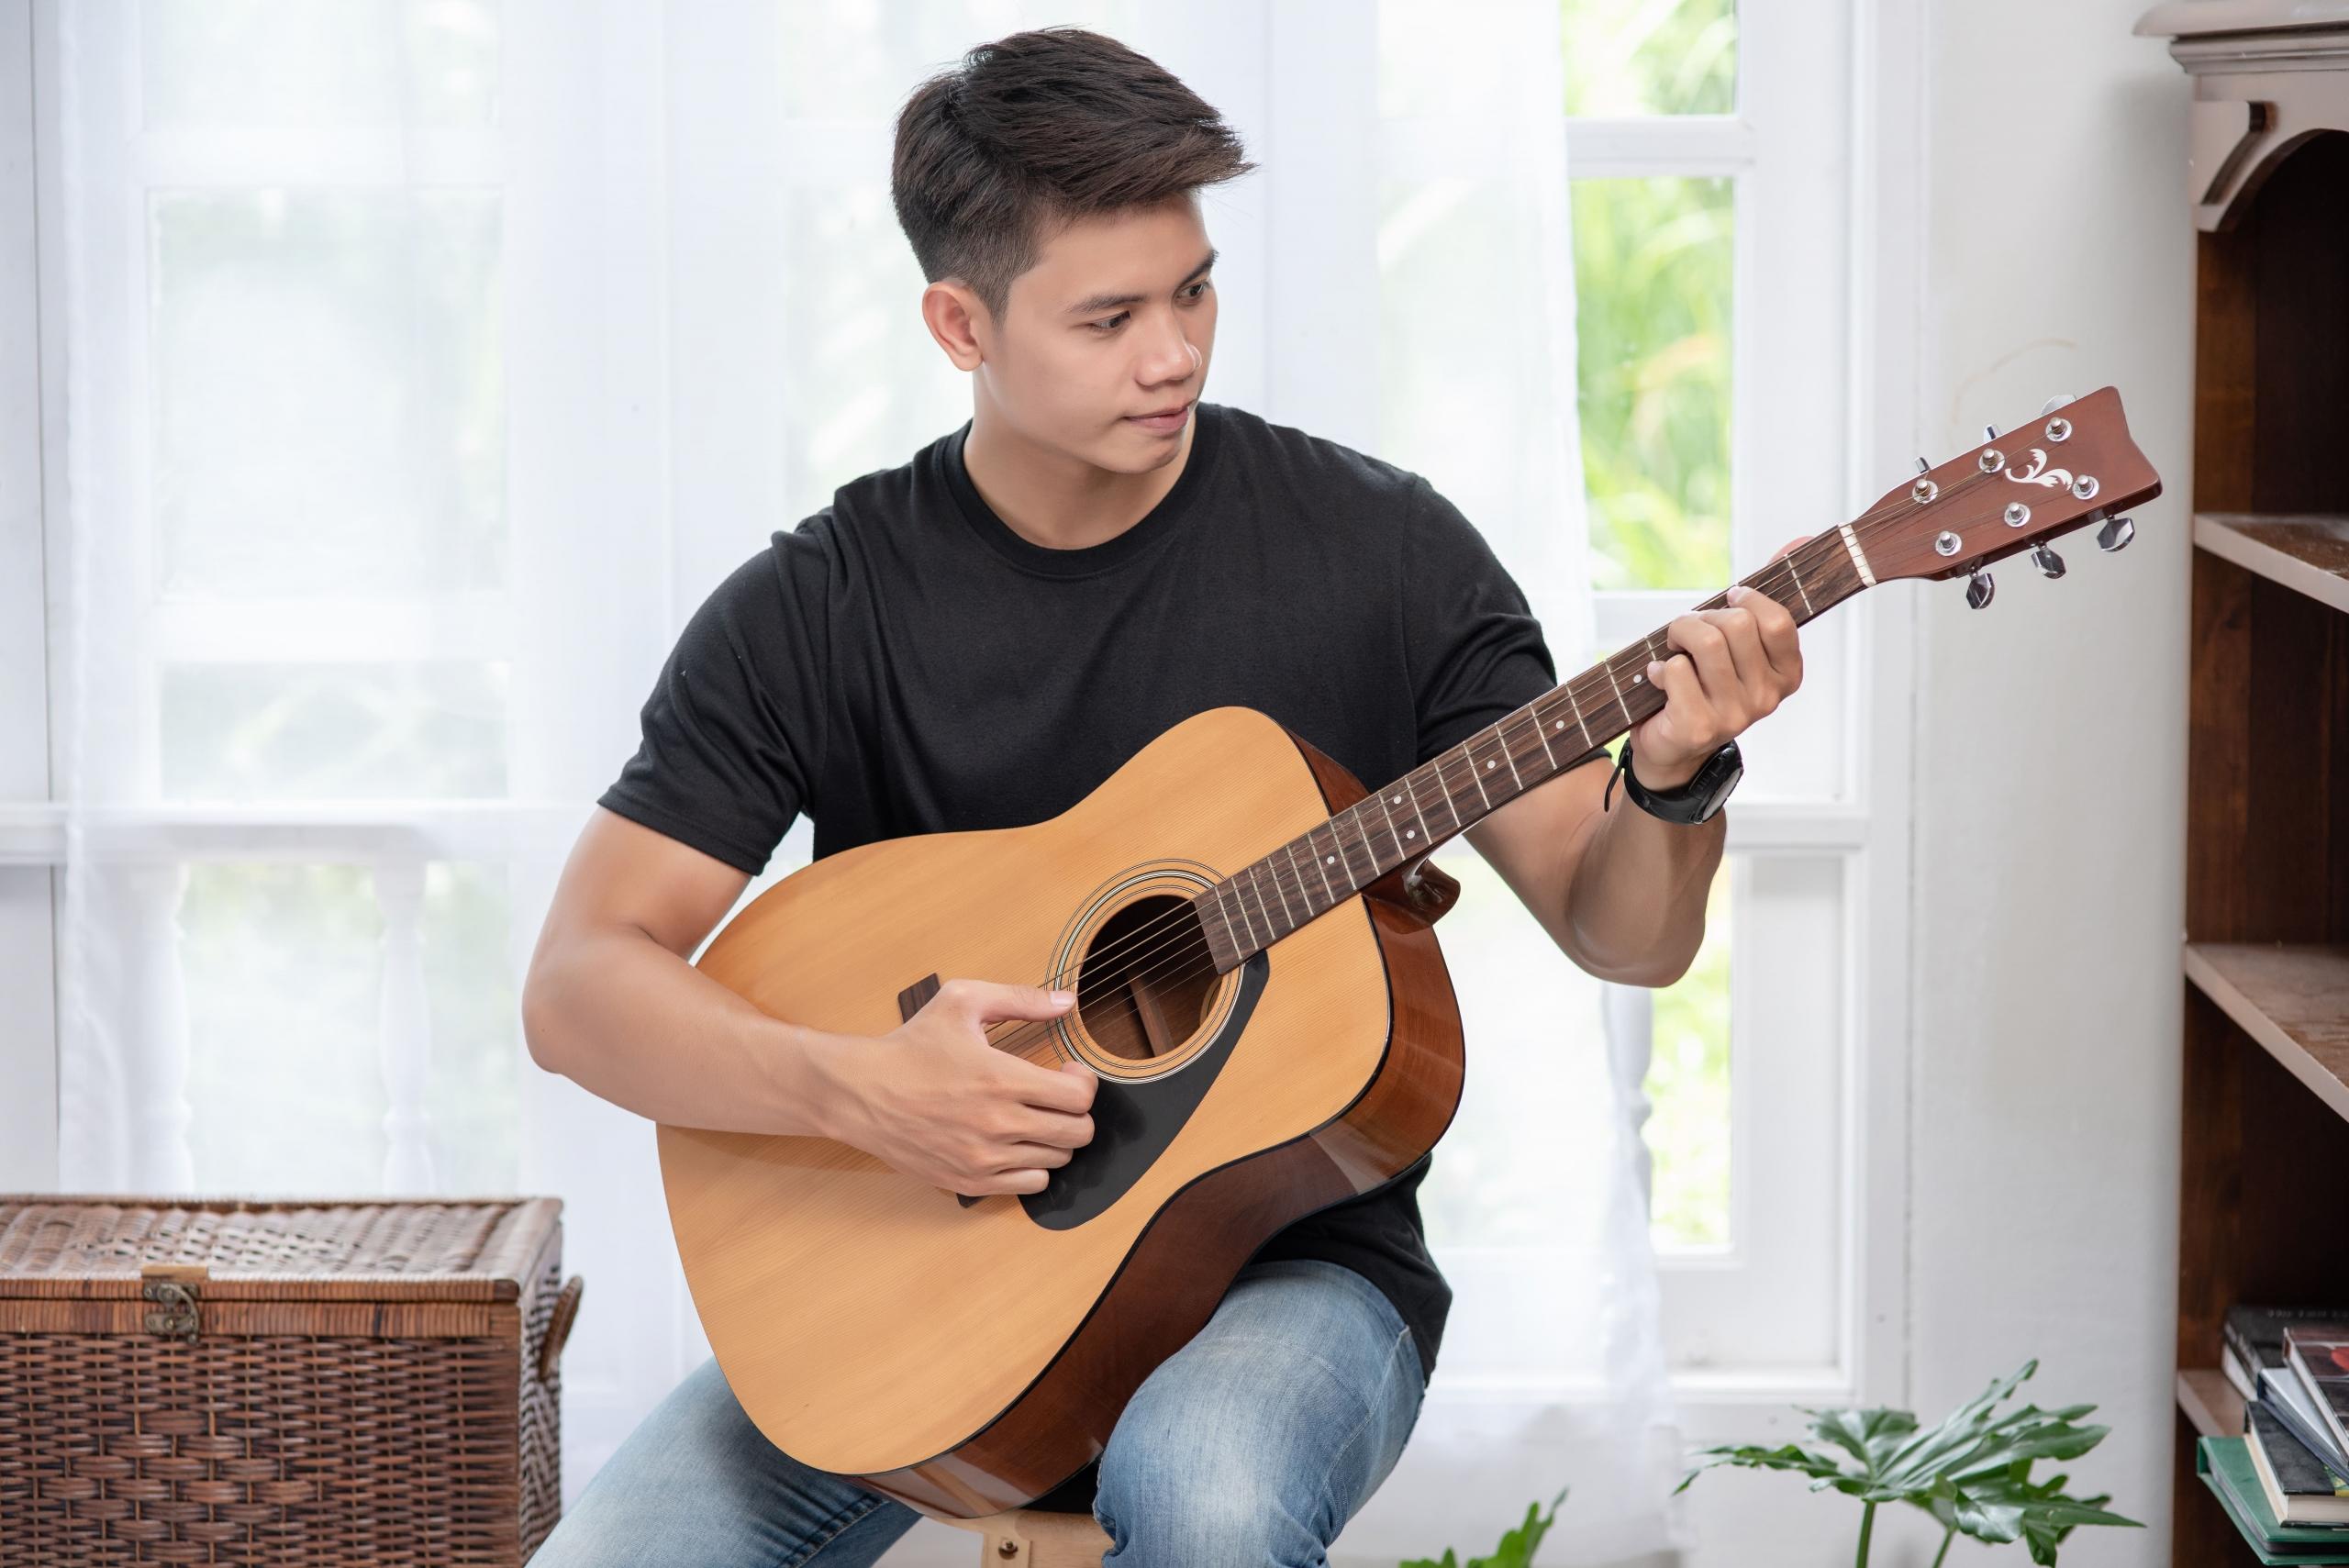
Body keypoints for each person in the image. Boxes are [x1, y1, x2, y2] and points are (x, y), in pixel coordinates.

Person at [519, 25, 1806, 1567]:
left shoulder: (1384, 555)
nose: (1175, 352)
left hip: (1297, 1265)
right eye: (1109, 315)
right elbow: (581, 985)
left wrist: (1668, 785)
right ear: (959, 322)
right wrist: (863, 1089)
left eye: (1194, 289)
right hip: (934, 1275)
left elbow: (1624, 938)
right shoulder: (822, 602)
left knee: (1206, 1493)